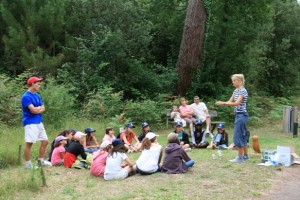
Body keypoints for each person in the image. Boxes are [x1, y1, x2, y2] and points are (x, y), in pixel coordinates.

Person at [216, 74, 249, 163]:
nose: (233, 82)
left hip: (242, 115)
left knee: (238, 136)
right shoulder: (235, 91)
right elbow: (230, 101)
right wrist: (222, 103)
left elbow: (236, 103)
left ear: (240, 81)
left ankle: (240, 157)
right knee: (242, 135)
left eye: (234, 80)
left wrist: (223, 103)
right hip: (238, 115)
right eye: (233, 80)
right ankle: (245, 156)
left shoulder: (243, 91)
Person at [21, 76, 51, 169]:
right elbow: (33, 110)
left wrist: (37, 109)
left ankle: (40, 161)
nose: (39, 85)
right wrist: (38, 109)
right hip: (30, 123)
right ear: (32, 84)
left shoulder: (37, 95)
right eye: (38, 83)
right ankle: (28, 164)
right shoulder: (26, 96)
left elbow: (43, 108)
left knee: (45, 141)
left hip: (38, 122)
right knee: (29, 143)